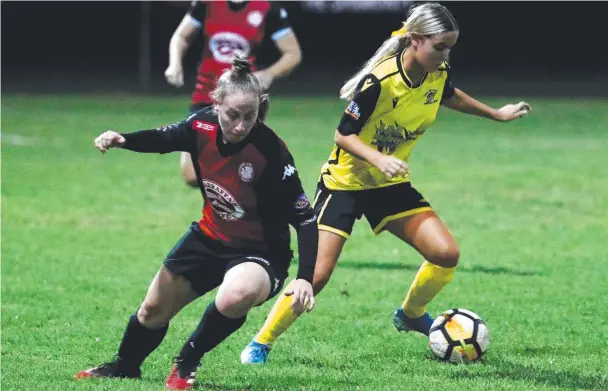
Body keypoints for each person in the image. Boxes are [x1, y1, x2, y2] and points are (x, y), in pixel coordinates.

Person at [240, 2, 532, 364]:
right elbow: (343, 134)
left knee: (445, 254)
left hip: (388, 186)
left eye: (450, 47)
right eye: (440, 46)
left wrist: (495, 114)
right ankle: (261, 342)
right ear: (414, 40)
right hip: (344, 185)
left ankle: (410, 315)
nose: (446, 55)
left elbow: (448, 95)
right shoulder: (379, 81)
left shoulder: (436, 73)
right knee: (315, 276)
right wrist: (378, 158)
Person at [74, 57, 317, 390]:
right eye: (233, 115)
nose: (241, 125)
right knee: (152, 310)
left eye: (250, 116)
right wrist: (124, 140)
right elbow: (164, 139)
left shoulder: (271, 151)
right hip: (209, 238)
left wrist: (304, 278)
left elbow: (304, 217)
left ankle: (186, 361)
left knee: (236, 294)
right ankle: (124, 366)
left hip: (261, 253)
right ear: (216, 103)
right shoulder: (200, 125)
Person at [165, 0, 303, 187]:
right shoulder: (207, 3)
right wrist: (175, 63)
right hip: (206, 95)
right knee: (191, 174)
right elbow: (181, 36)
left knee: (241, 170)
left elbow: (293, 53)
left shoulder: (267, 8)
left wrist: (268, 74)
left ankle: (257, 199)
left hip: (241, 100)